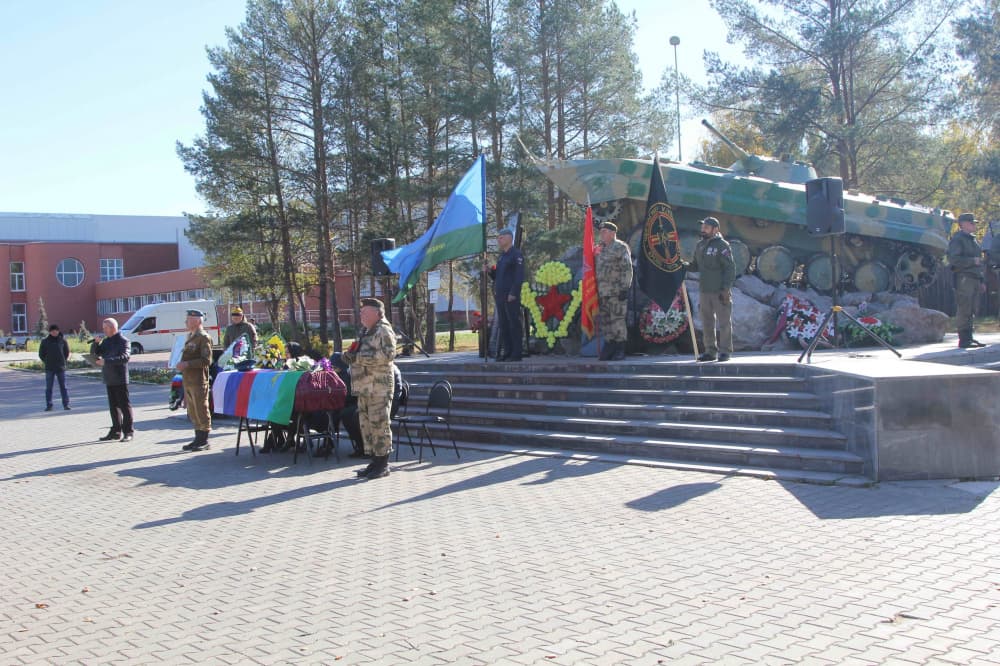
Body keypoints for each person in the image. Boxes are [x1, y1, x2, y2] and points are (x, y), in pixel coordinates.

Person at [342, 297, 397, 480]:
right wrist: (350, 355)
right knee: (367, 425)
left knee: (379, 424)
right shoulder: (366, 330)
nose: (361, 314)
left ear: (376, 313)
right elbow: (360, 351)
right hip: (365, 386)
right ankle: (374, 462)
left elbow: (389, 354)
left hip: (379, 386)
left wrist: (359, 358)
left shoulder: (383, 330)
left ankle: (383, 464)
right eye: (361, 311)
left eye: (365, 311)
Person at [688, 216, 736, 362]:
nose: (703, 229)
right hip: (704, 290)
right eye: (702, 227)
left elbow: (730, 268)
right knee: (707, 322)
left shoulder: (722, 245)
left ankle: (725, 351)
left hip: (719, 290)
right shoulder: (700, 245)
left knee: (724, 322)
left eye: (706, 227)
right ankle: (710, 351)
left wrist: (726, 288)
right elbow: (696, 266)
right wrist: (682, 265)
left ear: (715, 230)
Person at [594, 221, 634, 360]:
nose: (602, 234)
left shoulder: (620, 247)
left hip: (616, 291)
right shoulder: (600, 249)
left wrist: (625, 287)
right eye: (601, 231)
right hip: (602, 292)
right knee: (605, 321)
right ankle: (609, 345)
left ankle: (620, 348)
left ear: (612, 233)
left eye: (604, 231)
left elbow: (627, 269)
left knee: (617, 320)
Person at [947, 212, 987, 348]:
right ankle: (964, 340)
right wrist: (971, 261)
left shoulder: (972, 239)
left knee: (972, 309)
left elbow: (979, 261)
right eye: (971, 223)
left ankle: (969, 337)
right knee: (965, 308)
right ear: (963, 224)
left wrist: (981, 280)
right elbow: (954, 260)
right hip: (964, 278)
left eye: (974, 222)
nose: (974, 225)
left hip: (974, 278)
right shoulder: (958, 239)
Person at [177, 309, 214, 452]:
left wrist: (187, 364)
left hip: (199, 379)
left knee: (201, 409)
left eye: (189, 319)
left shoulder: (203, 337)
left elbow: (206, 360)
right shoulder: (190, 336)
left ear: (198, 321)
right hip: (188, 379)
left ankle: (204, 440)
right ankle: (197, 438)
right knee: (193, 411)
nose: (186, 322)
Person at [95, 318, 134, 441]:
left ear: (112, 328)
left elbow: (125, 357)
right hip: (109, 377)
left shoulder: (123, 341)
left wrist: (106, 361)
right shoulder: (106, 341)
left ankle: (128, 432)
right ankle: (115, 431)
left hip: (120, 378)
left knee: (124, 407)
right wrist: (96, 344)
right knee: (113, 407)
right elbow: (97, 354)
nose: (103, 330)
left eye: (105, 328)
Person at [491, 228, 525, 361]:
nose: (499, 240)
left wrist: (514, 293)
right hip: (500, 295)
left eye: (501, 237)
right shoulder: (502, 257)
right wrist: (489, 271)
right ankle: (507, 352)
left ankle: (516, 353)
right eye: (498, 238)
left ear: (509, 238)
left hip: (510, 296)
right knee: (504, 324)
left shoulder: (516, 255)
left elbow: (519, 276)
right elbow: (498, 276)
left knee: (513, 324)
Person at [39, 323, 70, 411]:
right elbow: (41, 354)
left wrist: (63, 361)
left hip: (60, 367)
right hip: (49, 368)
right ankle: (49, 405)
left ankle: (66, 404)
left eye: (56, 331)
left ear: (58, 331)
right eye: (52, 331)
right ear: (50, 332)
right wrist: (47, 361)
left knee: (63, 387)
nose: (54, 332)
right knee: (49, 387)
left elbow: (66, 353)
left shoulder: (62, 341)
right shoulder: (45, 341)